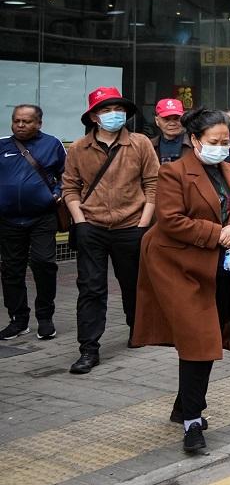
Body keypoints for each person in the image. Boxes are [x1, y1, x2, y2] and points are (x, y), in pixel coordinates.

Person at [131, 108, 230, 453]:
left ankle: (183, 406)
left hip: (221, 264)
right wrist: (220, 232)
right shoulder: (173, 173)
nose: (222, 147)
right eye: (214, 141)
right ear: (195, 140)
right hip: (179, 265)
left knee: (210, 337)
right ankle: (193, 420)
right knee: (199, 340)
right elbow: (172, 220)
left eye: (226, 141)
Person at [62, 87, 159, 374]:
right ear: (93, 116)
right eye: (105, 110)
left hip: (131, 227)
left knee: (133, 284)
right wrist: (80, 221)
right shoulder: (79, 148)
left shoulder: (140, 144)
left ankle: (136, 329)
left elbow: (152, 186)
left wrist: (143, 225)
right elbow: (70, 188)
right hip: (91, 226)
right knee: (91, 288)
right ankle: (88, 349)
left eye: (118, 109)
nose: (114, 115)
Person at [0, 105, 66, 341]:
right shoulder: (2, 145)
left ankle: (45, 318)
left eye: (26, 121)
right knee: (11, 270)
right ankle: (18, 320)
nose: (20, 125)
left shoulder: (52, 144)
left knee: (44, 263)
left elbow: (66, 174)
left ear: (38, 123)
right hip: (8, 219)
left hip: (42, 217)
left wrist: (58, 192)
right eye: (16, 120)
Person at [150, 98, 189, 164]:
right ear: (157, 121)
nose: (172, 123)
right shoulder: (149, 146)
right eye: (166, 119)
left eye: (176, 119)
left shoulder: (195, 144)